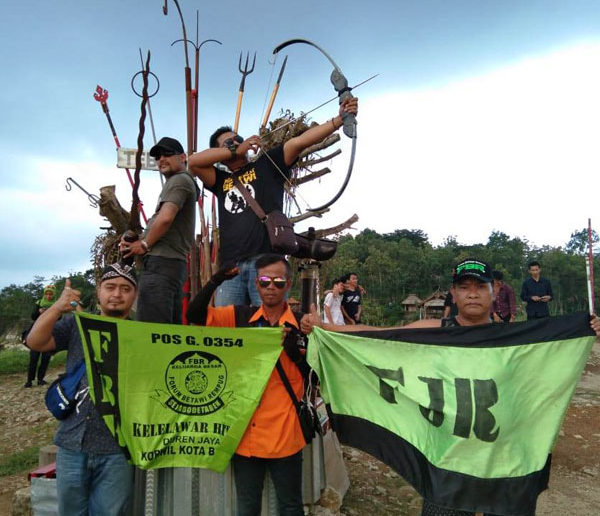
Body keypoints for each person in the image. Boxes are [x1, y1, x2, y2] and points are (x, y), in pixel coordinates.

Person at [302, 257, 600, 516]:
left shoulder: (514, 341)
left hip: (504, 463)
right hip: (447, 462)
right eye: (464, 287)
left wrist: (587, 330)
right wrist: (325, 328)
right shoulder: (434, 334)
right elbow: (378, 336)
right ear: (454, 294)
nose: (472, 294)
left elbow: (549, 370)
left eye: (480, 286)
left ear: (494, 291)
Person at [189, 97, 359, 307]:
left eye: (238, 139)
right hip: (231, 267)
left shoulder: (266, 163)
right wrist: (235, 151)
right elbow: (193, 162)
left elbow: (299, 142)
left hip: (267, 263)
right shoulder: (220, 180)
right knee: (229, 324)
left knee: (270, 323)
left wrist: (339, 120)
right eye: (228, 143)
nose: (237, 143)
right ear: (219, 153)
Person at [186, 254, 308, 516]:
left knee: (291, 507)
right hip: (246, 434)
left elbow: (316, 374)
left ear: (288, 284)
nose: (271, 287)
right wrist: (215, 281)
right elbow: (194, 315)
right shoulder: (240, 317)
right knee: (247, 507)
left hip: (286, 432)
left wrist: (296, 351)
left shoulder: (302, 325)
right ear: (256, 284)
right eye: (264, 281)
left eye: (278, 282)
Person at [26, 263, 138, 515]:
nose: (117, 294)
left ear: (135, 294)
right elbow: (35, 341)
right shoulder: (76, 324)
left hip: (118, 449)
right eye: (110, 287)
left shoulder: (142, 334)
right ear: (98, 291)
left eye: (125, 288)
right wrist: (57, 307)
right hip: (72, 442)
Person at [120, 137, 198, 323]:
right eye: (157, 156)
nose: (161, 159)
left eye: (168, 154)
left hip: (162, 263)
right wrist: (139, 239)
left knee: (151, 328)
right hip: (171, 264)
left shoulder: (178, 180)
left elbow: (165, 218)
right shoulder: (182, 182)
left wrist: (144, 244)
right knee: (165, 329)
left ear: (182, 157)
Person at [23, 284, 56, 387]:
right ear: (44, 294)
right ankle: (29, 380)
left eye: (50, 294)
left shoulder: (56, 304)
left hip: (49, 333)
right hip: (37, 332)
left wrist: (51, 313)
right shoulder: (39, 303)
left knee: (45, 358)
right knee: (34, 357)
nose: (48, 296)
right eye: (47, 294)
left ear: (54, 295)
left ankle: (40, 379)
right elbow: (33, 316)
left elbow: (59, 318)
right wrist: (39, 312)